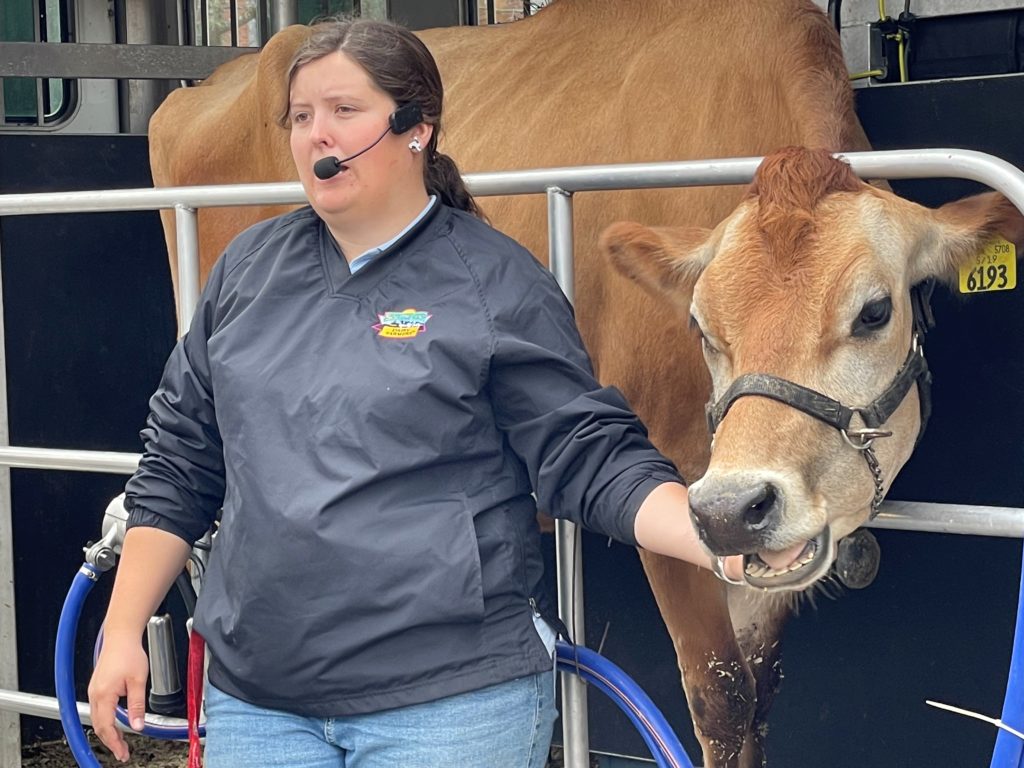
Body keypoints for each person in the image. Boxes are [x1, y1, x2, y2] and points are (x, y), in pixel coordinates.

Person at [88, 16, 748, 768]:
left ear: (416, 128)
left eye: (344, 111)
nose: (316, 136)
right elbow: (181, 460)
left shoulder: (496, 280)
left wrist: (721, 543)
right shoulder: (247, 271)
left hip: (446, 708)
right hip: (258, 700)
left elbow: (587, 455)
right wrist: (122, 630)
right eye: (301, 117)